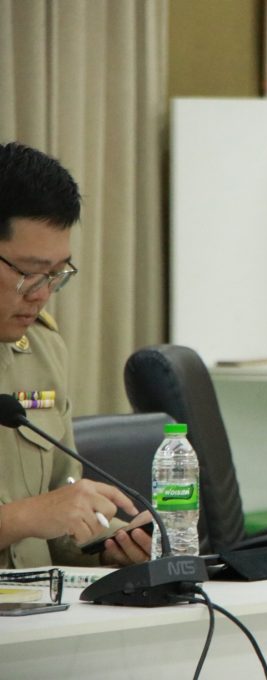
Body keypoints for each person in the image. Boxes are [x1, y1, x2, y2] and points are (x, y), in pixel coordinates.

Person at [0, 141, 151, 568]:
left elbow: (58, 511)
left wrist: (115, 541)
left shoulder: (42, 350)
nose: (42, 294)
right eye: (30, 273)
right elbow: (37, 514)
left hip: (41, 602)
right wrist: (20, 518)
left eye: (56, 274)